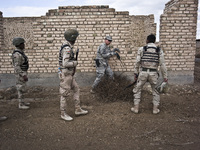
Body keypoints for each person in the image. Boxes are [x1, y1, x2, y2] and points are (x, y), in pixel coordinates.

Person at [131, 34, 168, 114]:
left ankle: (136, 108)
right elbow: (162, 65)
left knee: (138, 90)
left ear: (147, 40)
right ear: (154, 41)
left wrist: (135, 73)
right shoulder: (159, 50)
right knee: (155, 91)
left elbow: (137, 62)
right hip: (154, 73)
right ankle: (155, 109)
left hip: (143, 73)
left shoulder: (142, 49)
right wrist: (165, 77)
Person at [58, 29, 88, 121]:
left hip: (69, 74)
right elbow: (65, 63)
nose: (76, 39)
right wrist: (75, 63)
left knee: (76, 89)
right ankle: (63, 114)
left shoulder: (68, 46)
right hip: (66, 74)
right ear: (73, 38)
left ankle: (78, 109)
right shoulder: (67, 48)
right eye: (75, 37)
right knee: (64, 94)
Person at [12, 37, 30, 109]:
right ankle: (21, 104)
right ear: (18, 44)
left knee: (22, 88)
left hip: (23, 72)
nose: (24, 45)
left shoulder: (20, 52)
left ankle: (22, 102)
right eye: (22, 44)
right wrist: (23, 75)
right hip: (20, 74)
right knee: (20, 88)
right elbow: (17, 67)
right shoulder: (17, 54)